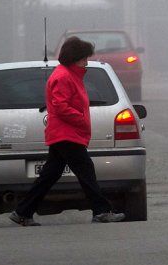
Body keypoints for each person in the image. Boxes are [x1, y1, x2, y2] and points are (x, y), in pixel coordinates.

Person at [9, 36, 125, 226]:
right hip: (67, 134)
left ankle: (23, 211)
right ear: (74, 58)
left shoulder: (69, 75)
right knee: (85, 171)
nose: (86, 62)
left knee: (50, 175)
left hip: (65, 133)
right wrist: (80, 120)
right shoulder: (63, 76)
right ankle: (101, 211)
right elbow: (61, 106)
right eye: (84, 59)